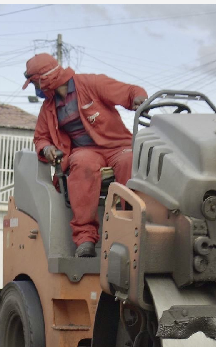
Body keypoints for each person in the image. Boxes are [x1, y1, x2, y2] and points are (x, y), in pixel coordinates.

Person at [22, 53, 148, 258]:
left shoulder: (91, 83)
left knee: (129, 160)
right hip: (85, 151)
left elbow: (130, 91)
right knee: (81, 164)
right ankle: (85, 239)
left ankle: (132, 229)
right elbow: (41, 138)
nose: (37, 88)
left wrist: (138, 99)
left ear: (45, 79)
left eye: (35, 82)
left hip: (118, 146)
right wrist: (46, 149)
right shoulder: (49, 107)